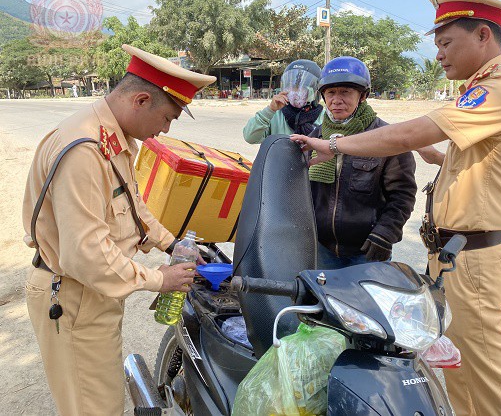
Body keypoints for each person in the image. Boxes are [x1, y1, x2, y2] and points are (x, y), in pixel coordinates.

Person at [292, 0, 501, 416]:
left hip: (474, 257)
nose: (439, 54)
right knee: (459, 366)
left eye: (446, 42)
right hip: (453, 254)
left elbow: (409, 133)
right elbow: (489, 167)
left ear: (483, 35)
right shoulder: (482, 89)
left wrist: (335, 146)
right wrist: (443, 158)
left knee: (492, 375)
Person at [22, 44, 216, 415]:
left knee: (103, 399)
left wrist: (171, 243)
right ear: (141, 100)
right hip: (75, 297)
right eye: (168, 117)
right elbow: (86, 253)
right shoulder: (84, 149)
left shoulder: (113, 137)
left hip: (92, 295)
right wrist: (160, 279)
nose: (165, 129)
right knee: (95, 407)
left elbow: (132, 203)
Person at [308, 56, 417, 269]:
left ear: (363, 96)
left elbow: (403, 195)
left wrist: (385, 234)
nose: (336, 100)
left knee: (365, 303)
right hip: (321, 249)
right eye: (331, 92)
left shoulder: (386, 140)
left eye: (345, 92)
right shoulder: (314, 138)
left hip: (367, 250)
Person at [243, 59, 325, 143]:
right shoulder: (276, 115)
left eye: (301, 88)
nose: (295, 92)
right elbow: (250, 137)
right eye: (291, 87)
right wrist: (270, 110)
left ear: (315, 91)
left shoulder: (324, 117)